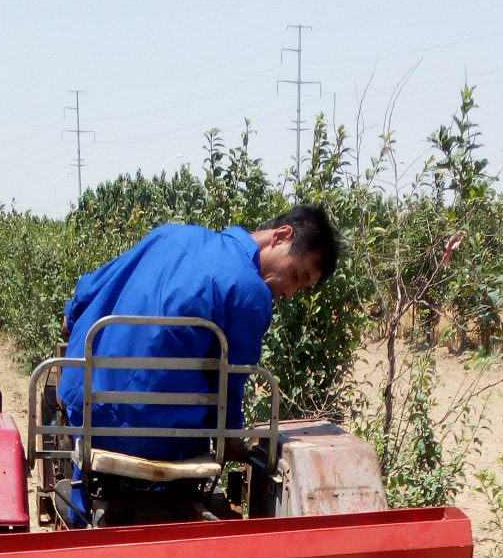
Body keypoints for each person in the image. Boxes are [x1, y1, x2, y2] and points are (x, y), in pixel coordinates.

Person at [56, 206, 339, 511]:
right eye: (297, 276)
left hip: (88, 417)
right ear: (282, 236)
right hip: (158, 440)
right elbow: (231, 381)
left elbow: (99, 283)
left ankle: (79, 505)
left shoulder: (169, 234)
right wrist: (230, 440)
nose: (290, 293)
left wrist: (72, 316)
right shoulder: (250, 292)